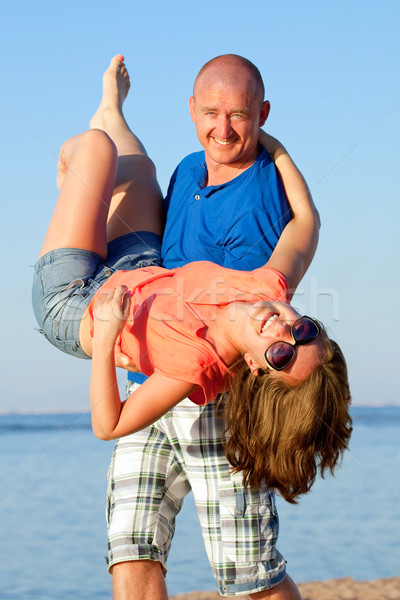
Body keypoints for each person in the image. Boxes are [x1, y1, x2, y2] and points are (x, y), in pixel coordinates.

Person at [32, 56, 352, 599]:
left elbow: (301, 222)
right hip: (146, 384)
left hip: (211, 405)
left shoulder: (259, 202)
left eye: (241, 116)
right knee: (131, 553)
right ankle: (111, 108)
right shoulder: (260, 281)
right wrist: (276, 145)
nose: (284, 332)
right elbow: (308, 222)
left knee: (250, 577)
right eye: (304, 331)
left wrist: (270, 151)